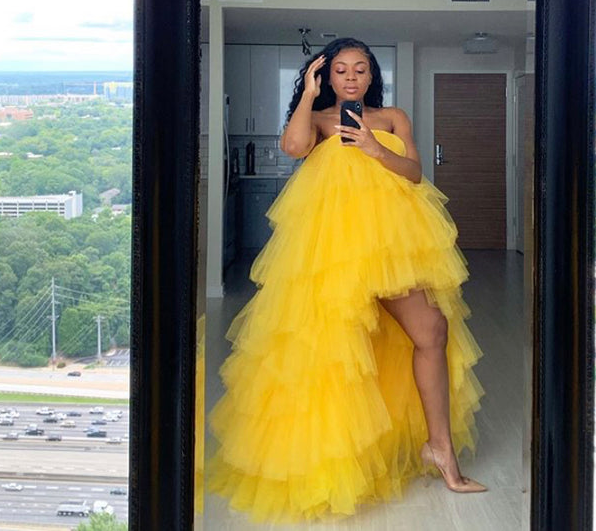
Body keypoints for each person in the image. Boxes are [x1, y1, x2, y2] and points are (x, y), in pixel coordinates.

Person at [207, 37, 486, 523]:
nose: (351, 76)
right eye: (339, 70)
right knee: (334, 355)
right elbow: (293, 148)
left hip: (390, 246)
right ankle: (327, 468)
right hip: (331, 252)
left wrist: (376, 149)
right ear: (326, 76)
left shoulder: (393, 117)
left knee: (431, 331)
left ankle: (439, 450)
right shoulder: (314, 120)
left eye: (359, 68)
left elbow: (415, 173)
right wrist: (309, 97)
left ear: (371, 74)